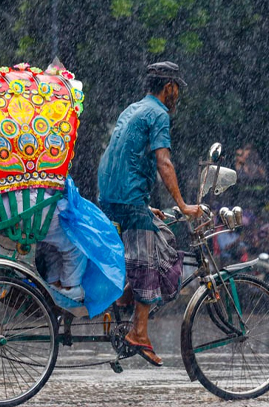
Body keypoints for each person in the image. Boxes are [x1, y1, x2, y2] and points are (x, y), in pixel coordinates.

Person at [97, 61, 202, 367]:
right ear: (169, 87)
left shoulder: (133, 108)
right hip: (128, 197)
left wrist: (142, 204)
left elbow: (123, 155)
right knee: (150, 259)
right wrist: (183, 205)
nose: (178, 94)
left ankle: (126, 296)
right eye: (177, 88)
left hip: (112, 194)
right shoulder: (158, 114)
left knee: (162, 238)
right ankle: (138, 332)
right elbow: (164, 162)